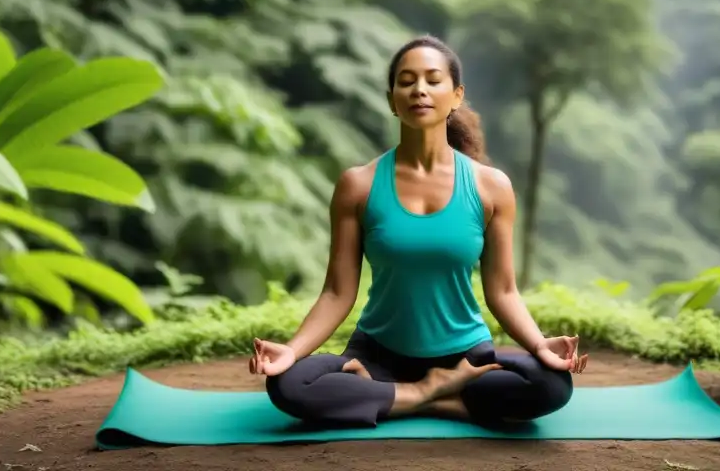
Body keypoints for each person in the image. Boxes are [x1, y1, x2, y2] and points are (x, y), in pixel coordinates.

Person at [248, 35, 588, 428]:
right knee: (287, 385)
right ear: (392, 99)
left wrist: (538, 344)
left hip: (464, 357)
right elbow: (338, 292)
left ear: (456, 95)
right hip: (376, 356)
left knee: (552, 385)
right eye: (406, 81)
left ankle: (397, 398)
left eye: (432, 79)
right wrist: (291, 351)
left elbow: (504, 291)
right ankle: (434, 396)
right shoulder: (358, 185)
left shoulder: (490, 186)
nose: (419, 90)